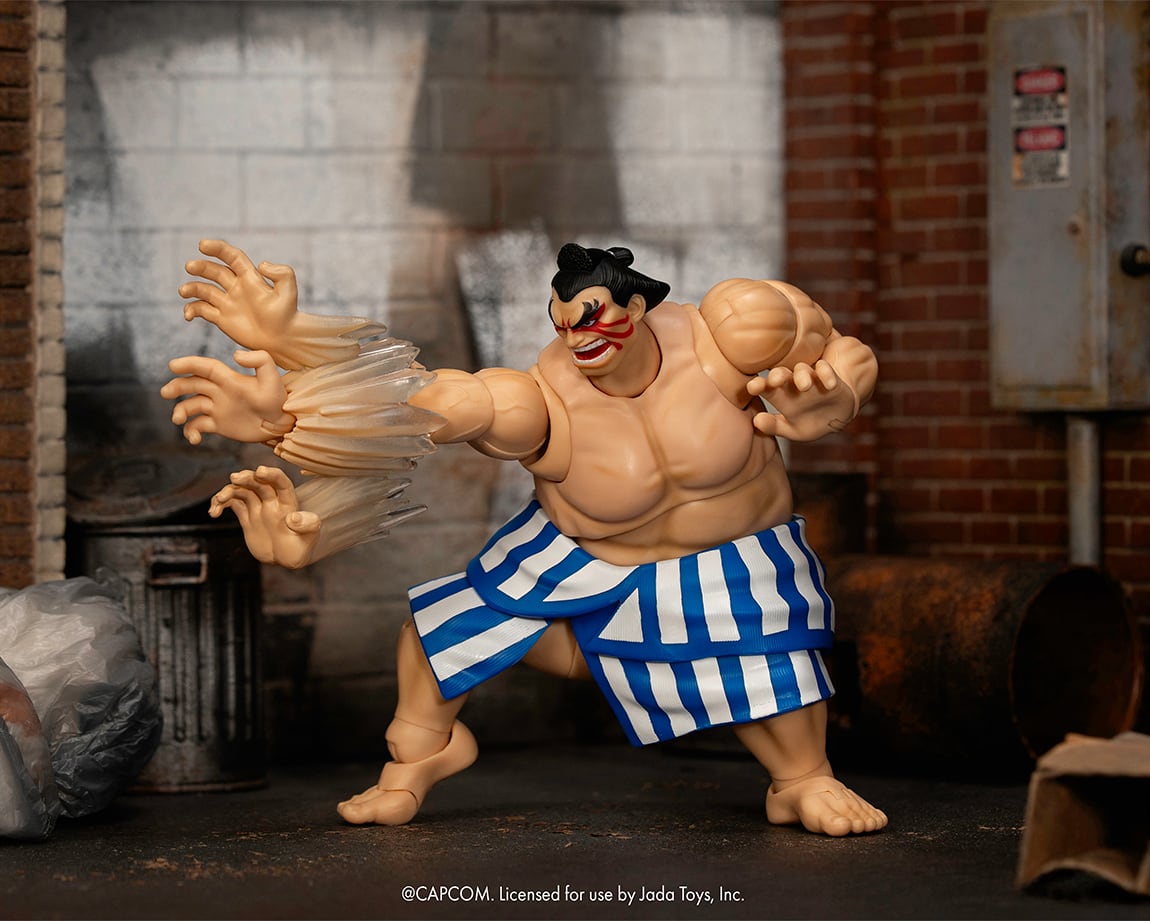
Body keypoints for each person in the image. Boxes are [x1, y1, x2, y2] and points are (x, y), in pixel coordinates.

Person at [163, 239, 885, 836]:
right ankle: (418, 759)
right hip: (591, 563)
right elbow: (435, 402)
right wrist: (288, 391)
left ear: (636, 307)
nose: (579, 339)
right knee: (438, 630)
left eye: (593, 317)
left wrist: (834, 398)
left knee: (766, 662)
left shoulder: (729, 330)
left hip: (732, 561)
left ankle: (802, 780)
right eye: (563, 323)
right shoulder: (542, 398)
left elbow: (847, 353)